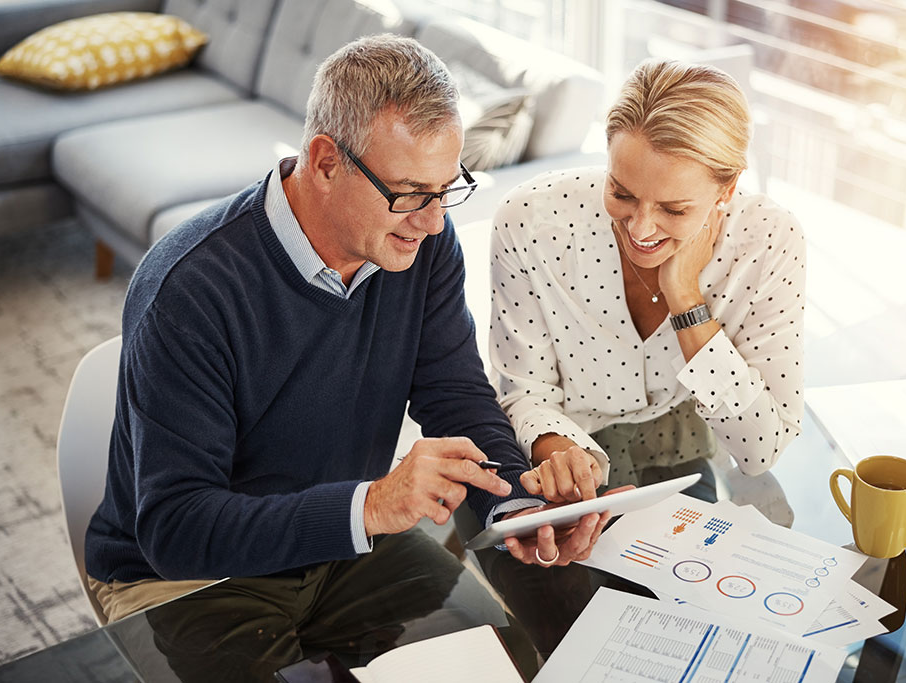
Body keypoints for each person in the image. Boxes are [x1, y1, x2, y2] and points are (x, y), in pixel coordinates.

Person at [82, 34, 607, 677]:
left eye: (448, 188)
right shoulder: (191, 289)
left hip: (345, 545)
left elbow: (456, 394)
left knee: (502, 664)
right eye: (412, 193)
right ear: (326, 161)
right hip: (189, 577)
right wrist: (373, 507)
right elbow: (175, 530)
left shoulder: (421, 246)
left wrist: (512, 508)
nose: (436, 221)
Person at [490, 59, 806, 505]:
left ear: (728, 189)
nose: (640, 229)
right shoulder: (530, 222)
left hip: (680, 448)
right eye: (621, 193)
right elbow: (524, 391)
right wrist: (562, 456)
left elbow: (761, 448)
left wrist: (686, 301)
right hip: (554, 450)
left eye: (674, 210)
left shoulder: (768, 241)